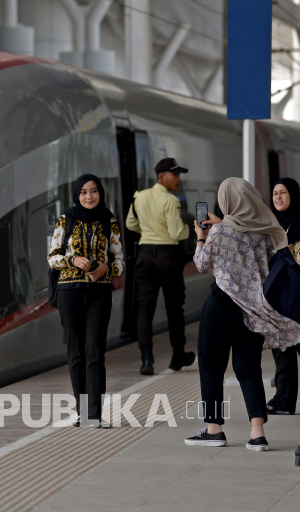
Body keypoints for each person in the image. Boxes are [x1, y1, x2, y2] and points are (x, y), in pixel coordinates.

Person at [185, 177, 300, 451]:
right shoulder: (264, 234)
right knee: (248, 369)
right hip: (252, 309)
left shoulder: (219, 232)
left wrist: (201, 239)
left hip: (220, 305)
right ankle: (257, 434)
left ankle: (214, 429)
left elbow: (202, 264)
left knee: (211, 365)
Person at [48, 174, 124, 427]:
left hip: (99, 292)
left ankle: (95, 415)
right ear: (76, 195)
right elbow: (52, 257)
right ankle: (82, 412)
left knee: (94, 351)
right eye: (83, 192)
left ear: (100, 193)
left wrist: (107, 270)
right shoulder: (65, 219)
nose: (89, 196)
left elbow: (120, 261)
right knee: (76, 353)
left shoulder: (109, 221)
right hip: (69, 291)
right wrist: (72, 260)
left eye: (93, 191)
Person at [126, 158, 196, 375]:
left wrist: (148, 231)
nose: (178, 179)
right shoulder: (171, 201)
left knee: (144, 309)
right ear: (161, 177)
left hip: (145, 256)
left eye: (179, 174)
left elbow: (130, 224)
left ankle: (146, 360)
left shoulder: (140, 196)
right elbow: (177, 233)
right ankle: (178, 356)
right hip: (167, 257)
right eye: (174, 175)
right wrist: (189, 228)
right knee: (174, 308)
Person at [268, 178, 300, 415]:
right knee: (281, 347)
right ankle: (284, 399)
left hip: (299, 294)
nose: (279, 197)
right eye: (275, 194)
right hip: (276, 295)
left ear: (293, 195)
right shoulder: (270, 225)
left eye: (283, 193)